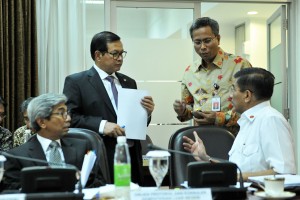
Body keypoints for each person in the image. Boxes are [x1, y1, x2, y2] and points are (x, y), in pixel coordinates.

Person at [63, 31, 155, 185]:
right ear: (98, 55)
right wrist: (102, 125)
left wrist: (146, 113)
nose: (120, 58)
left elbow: (135, 124)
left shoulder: (129, 82)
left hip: (131, 155)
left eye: (122, 53)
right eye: (115, 54)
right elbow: (70, 118)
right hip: (101, 155)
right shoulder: (77, 82)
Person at [183, 68, 296, 180]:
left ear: (247, 95)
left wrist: (234, 178)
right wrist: (206, 159)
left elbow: (283, 173)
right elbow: (238, 170)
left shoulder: (271, 120)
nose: (230, 96)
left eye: (233, 89)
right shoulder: (247, 121)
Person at [2, 93, 106, 190]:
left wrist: (83, 180)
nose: (68, 118)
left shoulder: (82, 147)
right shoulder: (17, 156)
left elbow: (100, 184)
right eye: (61, 113)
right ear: (42, 122)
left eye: (67, 112)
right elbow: (12, 192)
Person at [173, 17, 252, 135]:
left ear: (218, 39)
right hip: (201, 138)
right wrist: (182, 110)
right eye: (197, 42)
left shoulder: (240, 65)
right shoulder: (190, 72)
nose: (203, 47)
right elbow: (189, 109)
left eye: (207, 40)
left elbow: (252, 107)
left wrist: (218, 118)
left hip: (236, 138)